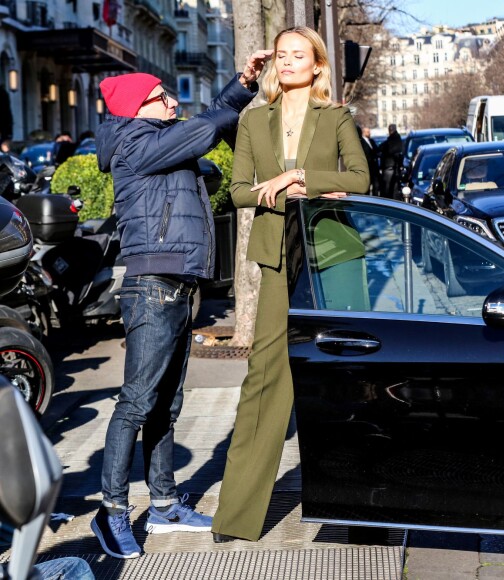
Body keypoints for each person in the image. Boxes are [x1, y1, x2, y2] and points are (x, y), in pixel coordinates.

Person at [90, 51, 273, 559]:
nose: (172, 100)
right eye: (161, 96)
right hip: (152, 285)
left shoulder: (156, 139)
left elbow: (209, 116)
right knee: (136, 402)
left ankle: (166, 505)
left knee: (167, 405)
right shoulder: (133, 144)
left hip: (179, 286)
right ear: (136, 107)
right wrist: (228, 104)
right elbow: (203, 127)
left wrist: (243, 82)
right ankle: (111, 513)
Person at [211, 26, 369, 544]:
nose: (287, 62)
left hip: (336, 257)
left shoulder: (337, 115)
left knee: (345, 380)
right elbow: (237, 193)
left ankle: (363, 507)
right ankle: (236, 516)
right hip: (278, 257)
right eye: (281, 55)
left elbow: (361, 180)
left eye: (298, 55)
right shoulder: (254, 120)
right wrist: (278, 188)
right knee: (264, 381)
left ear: (318, 64)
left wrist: (299, 175)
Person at [379, 123, 403, 198]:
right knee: (393, 190)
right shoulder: (398, 140)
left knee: (388, 191)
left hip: (389, 167)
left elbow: (382, 148)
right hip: (393, 167)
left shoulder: (391, 141)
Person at [359, 126, 380, 195]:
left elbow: (376, 150)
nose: (369, 133)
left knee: (376, 185)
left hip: (374, 167)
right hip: (367, 167)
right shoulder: (361, 142)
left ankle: (376, 198)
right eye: (368, 132)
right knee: (368, 186)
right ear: (364, 133)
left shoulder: (371, 141)